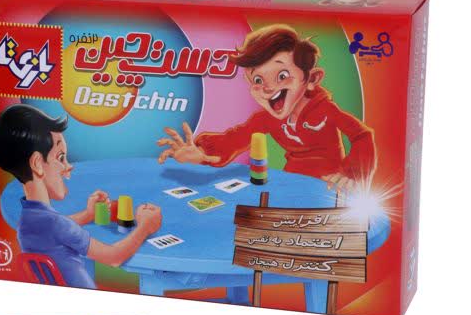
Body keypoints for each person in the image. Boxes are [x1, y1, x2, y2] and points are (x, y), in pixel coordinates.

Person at [157, 24, 377, 191]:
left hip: (331, 184)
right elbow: (236, 137)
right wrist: (203, 153)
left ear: (311, 79)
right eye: (258, 80)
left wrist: (351, 174)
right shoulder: (265, 119)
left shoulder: (326, 110)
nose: (268, 88)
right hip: (291, 183)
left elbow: (362, 135)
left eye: (282, 75)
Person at [0, 105, 162, 289]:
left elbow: (54, 227)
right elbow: (114, 257)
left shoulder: (27, 221)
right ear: (37, 164)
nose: (68, 166)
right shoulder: (57, 224)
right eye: (61, 157)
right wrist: (145, 226)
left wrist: (88, 214)